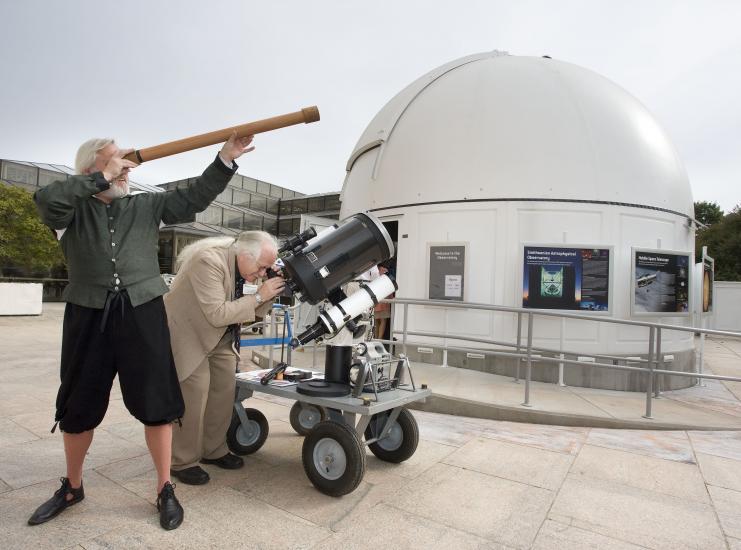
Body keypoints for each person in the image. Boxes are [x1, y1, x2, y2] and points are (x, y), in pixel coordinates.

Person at [29, 132, 255, 530]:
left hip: (143, 313)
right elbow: (47, 202)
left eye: (125, 162)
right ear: (91, 169)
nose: (126, 168)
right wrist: (101, 177)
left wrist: (225, 158)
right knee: (78, 405)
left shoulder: (145, 205)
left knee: (157, 402)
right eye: (115, 161)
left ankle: (165, 486)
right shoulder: (69, 212)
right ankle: (73, 486)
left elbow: (193, 199)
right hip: (88, 315)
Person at [164, 231, 285, 485]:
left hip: (220, 336)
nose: (262, 273)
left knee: (224, 392)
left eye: (266, 269)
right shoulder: (208, 261)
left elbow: (248, 311)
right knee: (195, 394)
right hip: (190, 334)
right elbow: (218, 313)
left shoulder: (241, 266)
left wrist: (270, 294)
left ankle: (214, 450)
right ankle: (182, 460)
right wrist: (260, 295)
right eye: (262, 267)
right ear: (244, 255)